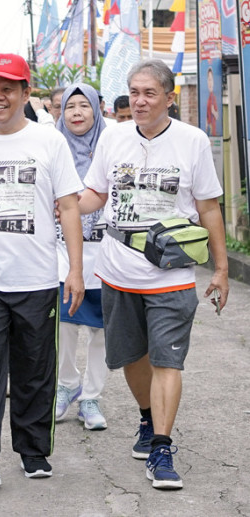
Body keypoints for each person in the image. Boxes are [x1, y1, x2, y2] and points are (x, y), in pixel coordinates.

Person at [78, 59, 229, 490]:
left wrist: (220, 269)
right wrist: (64, 203)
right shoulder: (113, 139)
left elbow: (209, 207)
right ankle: (147, 419)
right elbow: (96, 193)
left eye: (148, 93)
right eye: (133, 93)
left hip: (171, 274)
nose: (139, 101)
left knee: (167, 359)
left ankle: (162, 447)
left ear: (169, 98)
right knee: (131, 356)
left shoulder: (192, 141)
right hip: (117, 269)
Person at [0, 53, 85, 490]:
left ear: (26, 94)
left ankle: (32, 450)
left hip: (37, 278)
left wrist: (76, 271)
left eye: (8, 88)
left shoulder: (49, 142)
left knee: (34, 366)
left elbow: (68, 207)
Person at [53, 83, 109, 431]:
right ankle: (67, 384)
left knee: (101, 329)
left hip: (104, 251)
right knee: (63, 322)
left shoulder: (113, 145)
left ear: (96, 109)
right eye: (70, 106)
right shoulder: (53, 146)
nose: (76, 112)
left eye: (83, 106)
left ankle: (91, 396)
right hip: (60, 249)